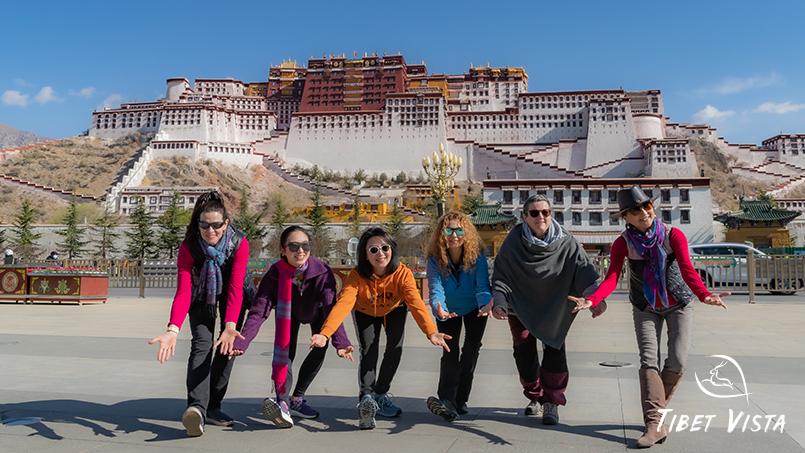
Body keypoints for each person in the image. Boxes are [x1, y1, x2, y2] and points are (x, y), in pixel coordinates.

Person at [568, 186, 727, 448]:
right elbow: (612, 277)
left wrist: (705, 295)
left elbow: (688, 270)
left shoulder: (673, 235)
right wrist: (592, 299)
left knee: (677, 360)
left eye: (646, 207)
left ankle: (658, 413)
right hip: (645, 305)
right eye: (635, 211)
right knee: (648, 361)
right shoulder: (623, 243)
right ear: (625, 217)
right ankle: (654, 424)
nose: (643, 213)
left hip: (679, 303)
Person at [310, 226, 452, 430]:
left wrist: (431, 331)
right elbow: (343, 304)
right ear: (365, 255)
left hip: (395, 308)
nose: (380, 254)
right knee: (369, 349)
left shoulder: (402, 273)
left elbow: (416, 302)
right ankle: (366, 399)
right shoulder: (357, 276)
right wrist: (325, 334)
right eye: (373, 250)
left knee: (395, 349)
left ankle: (380, 394)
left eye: (385, 248)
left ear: (392, 250)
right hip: (365, 310)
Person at [488, 194, 601, 426]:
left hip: (554, 306)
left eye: (545, 212)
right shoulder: (514, 241)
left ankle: (552, 401)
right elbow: (501, 275)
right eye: (534, 213)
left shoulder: (566, 242)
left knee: (554, 351)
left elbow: (584, 270)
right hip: (519, 305)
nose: (541, 216)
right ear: (524, 217)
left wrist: (594, 299)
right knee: (523, 351)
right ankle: (535, 396)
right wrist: (499, 301)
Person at [148, 191, 250, 437]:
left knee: (227, 348)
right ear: (198, 224)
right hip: (202, 292)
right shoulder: (189, 246)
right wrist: (173, 329)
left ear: (226, 224)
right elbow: (183, 291)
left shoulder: (239, 243)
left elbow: (236, 286)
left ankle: (213, 406)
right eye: (204, 225)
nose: (210, 230)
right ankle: (196, 408)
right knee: (202, 345)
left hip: (233, 295)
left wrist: (229, 325)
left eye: (216, 225)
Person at [231, 226, 354, 428]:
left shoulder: (322, 272)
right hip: (289, 314)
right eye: (293, 246)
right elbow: (259, 310)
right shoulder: (275, 273)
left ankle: (297, 398)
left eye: (305, 245)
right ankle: (283, 401)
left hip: (318, 312)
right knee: (285, 352)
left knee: (319, 348)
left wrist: (340, 342)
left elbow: (332, 308)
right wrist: (242, 342)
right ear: (282, 249)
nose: (300, 251)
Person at [424, 211, 492, 421]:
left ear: (467, 232)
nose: (454, 235)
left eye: (459, 230)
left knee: (471, 351)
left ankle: (460, 399)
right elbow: (435, 288)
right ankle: (446, 399)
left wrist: (485, 305)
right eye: (449, 230)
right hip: (448, 310)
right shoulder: (435, 259)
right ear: (441, 233)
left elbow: (482, 285)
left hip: (475, 308)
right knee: (450, 353)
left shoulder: (477, 256)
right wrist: (438, 307)